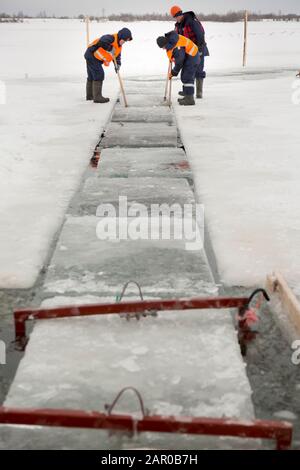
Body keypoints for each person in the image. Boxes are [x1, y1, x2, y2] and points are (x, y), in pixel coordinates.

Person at [84, 28, 132, 103]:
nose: (124, 42)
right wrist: (110, 48)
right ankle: (97, 97)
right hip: (92, 54)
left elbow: (117, 56)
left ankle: (90, 96)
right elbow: (101, 42)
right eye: (124, 40)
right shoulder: (111, 38)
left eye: (126, 41)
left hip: (95, 58)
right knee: (99, 74)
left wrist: (118, 65)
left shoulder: (119, 46)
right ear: (121, 36)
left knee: (91, 76)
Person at [170, 5, 209, 98]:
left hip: (198, 48)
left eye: (177, 16)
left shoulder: (191, 21)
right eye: (175, 17)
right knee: (187, 70)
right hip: (188, 50)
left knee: (198, 70)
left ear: (181, 14)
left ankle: (199, 93)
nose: (177, 19)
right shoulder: (178, 25)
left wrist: (199, 50)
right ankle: (187, 91)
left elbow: (200, 35)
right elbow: (176, 37)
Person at [157, 31, 200, 105]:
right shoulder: (172, 41)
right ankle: (187, 95)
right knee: (184, 76)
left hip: (192, 57)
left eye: (163, 47)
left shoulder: (177, 46)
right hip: (189, 57)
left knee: (187, 77)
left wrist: (174, 72)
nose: (163, 49)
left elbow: (179, 61)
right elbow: (177, 55)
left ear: (165, 44)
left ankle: (190, 99)